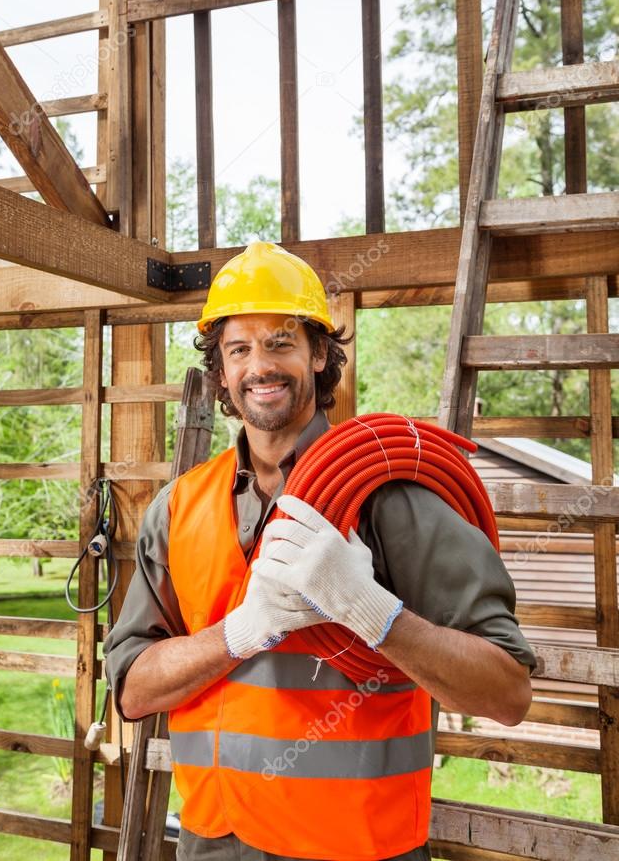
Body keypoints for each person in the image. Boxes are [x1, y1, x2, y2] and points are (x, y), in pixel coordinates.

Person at [104, 241, 535, 861]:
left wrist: (370, 611)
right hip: (213, 845)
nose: (261, 366)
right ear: (221, 370)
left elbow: (507, 693)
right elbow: (134, 690)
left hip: (354, 849)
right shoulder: (178, 509)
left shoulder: (388, 495)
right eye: (239, 348)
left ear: (319, 354)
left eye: (281, 343)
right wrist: (241, 632)